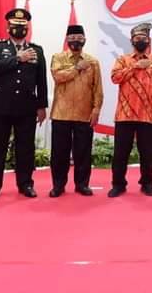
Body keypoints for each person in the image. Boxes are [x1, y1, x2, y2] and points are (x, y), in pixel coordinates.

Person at [0, 8, 48, 201]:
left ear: (27, 28)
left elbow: (41, 80)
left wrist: (42, 106)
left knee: (25, 148)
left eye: (22, 25)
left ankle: (25, 183)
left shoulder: (36, 50)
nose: (19, 28)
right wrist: (17, 58)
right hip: (0, 107)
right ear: (8, 27)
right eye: (15, 25)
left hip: (26, 107)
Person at [108, 22, 152, 197]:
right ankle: (118, 184)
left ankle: (147, 183)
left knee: (147, 153)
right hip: (124, 114)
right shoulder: (123, 60)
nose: (140, 40)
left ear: (149, 40)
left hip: (148, 115)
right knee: (120, 153)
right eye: (137, 38)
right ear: (131, 40)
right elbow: (115, 78)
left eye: (144, 38)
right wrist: (135, 66)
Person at [49, 25, 103, 197]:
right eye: (72, 38)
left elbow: (97, 88)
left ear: (84, 39)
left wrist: (96, 109)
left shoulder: (93, 62)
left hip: (84, 113)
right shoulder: (58, 57)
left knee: (83, 153)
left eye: (79, 38)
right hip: (61, 113)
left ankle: (82, 184)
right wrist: (77, 68)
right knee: (59, 153)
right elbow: (58, 76)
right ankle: (58, 185)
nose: (75, 41)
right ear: (67, 40)